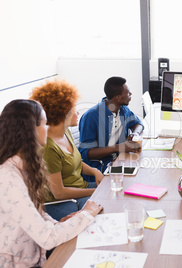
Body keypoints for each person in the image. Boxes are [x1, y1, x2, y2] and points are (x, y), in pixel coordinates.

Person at [0, 99, 103, 267]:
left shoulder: (24, 166)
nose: (48, 128)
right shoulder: (8, 178)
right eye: (45, 123)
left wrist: (57, 223)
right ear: (30, 130)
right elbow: (47, 238)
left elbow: (35, 212)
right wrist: (87, 214)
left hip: (34, 257)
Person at [30, 80, 104, 220]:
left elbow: (74, 162)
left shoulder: (65, 132)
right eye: (73, 110)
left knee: (114, 189)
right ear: (61, 114)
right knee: (107, 203)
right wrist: (96, 190)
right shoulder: (49, 148)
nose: (77, 113)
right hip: (64, 201)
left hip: (81, 188)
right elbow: (59, 193)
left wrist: (95, 171)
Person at [79, 77, 144, 177]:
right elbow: (86, 153)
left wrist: (135, 133)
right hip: (101, 169)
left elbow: (138, 123)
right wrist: (118, 148)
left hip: (121, 161)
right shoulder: (91, 117)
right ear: (118, 98)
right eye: (128, 93)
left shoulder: (123, 109)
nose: (130, 95)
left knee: (143, 172)